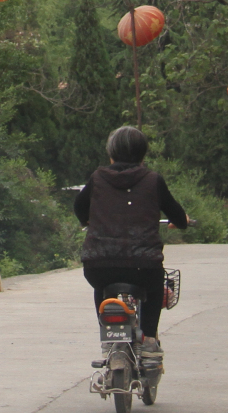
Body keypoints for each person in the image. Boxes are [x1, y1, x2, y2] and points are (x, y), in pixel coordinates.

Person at [73, 126, 187, 366]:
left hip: (99, 264)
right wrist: (181, 222)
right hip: (143, 267)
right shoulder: (153, 180)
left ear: (111, 153)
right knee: (155, 288)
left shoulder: (97, 178)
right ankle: (149, 341)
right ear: (143, 155)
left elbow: (79, 207)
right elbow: (176, 214)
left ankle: (108, 338)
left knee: (103, 286)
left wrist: (87, 221)